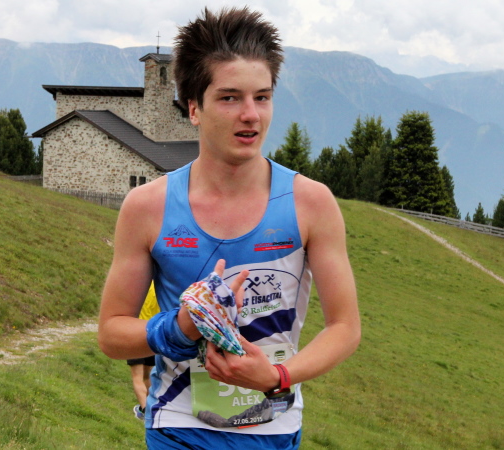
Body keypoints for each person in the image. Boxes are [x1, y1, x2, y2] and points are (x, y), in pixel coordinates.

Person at [98, 6, 360, 449]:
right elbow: (111, 334)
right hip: (178, 424)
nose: (251, 114)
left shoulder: (311, 203)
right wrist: (179, 329)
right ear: (193, 108)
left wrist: (276, 375)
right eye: (230, 98)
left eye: (262, 97)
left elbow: (345, 328)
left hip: (273, 427)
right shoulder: (148, 206)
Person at [127, 282, 160, 420]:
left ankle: (145, 411)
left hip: (135, 333)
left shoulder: (139, 286)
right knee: (148, 375)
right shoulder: (159, 287)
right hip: (153, 334)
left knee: (137, 377)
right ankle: (151, 407)